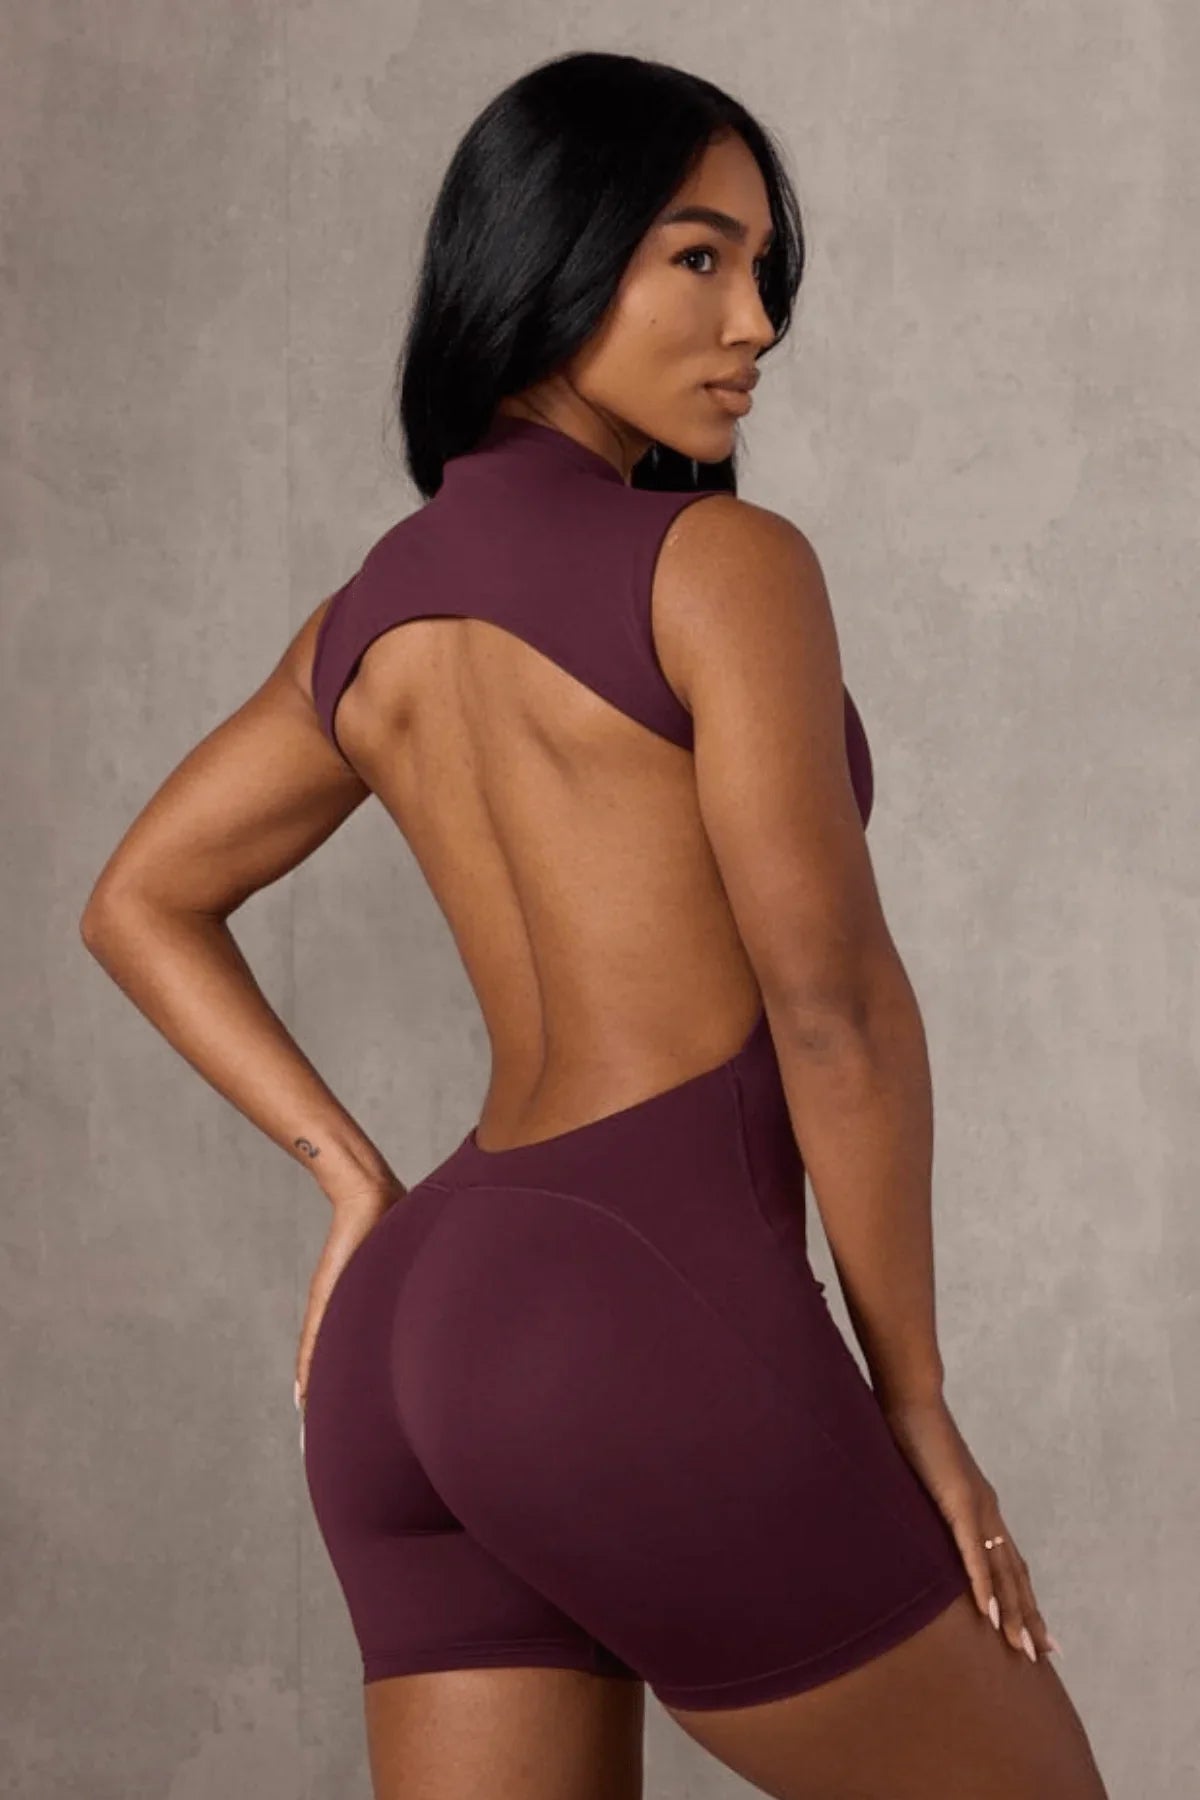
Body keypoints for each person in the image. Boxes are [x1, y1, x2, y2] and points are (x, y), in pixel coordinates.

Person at [79, 48, 1109, 1800]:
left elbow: (137, 900)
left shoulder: (369, 617)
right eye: (698, 257)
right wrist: (914, 1401)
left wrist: (355, 1183)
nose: (756, 320)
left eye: (763, 268)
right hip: (634, 1313)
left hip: (415, 1340)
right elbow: (835, 1011)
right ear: (549, 259)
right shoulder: (723, 568)